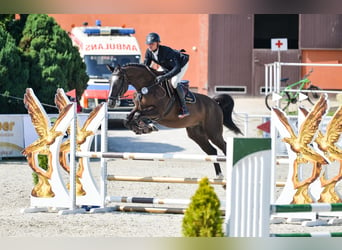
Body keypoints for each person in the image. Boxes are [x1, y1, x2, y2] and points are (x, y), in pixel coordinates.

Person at [143, 32, 190, 119]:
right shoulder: (149, 52)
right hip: (166, 66)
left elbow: (177, 69)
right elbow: (146, 67)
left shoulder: (166, 51)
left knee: (174, 82)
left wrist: (164, 77)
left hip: (181, 65)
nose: (150, 46)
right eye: (148, 44)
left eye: (152, 44)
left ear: (158, 43)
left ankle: (184, 108)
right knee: (155, 78)